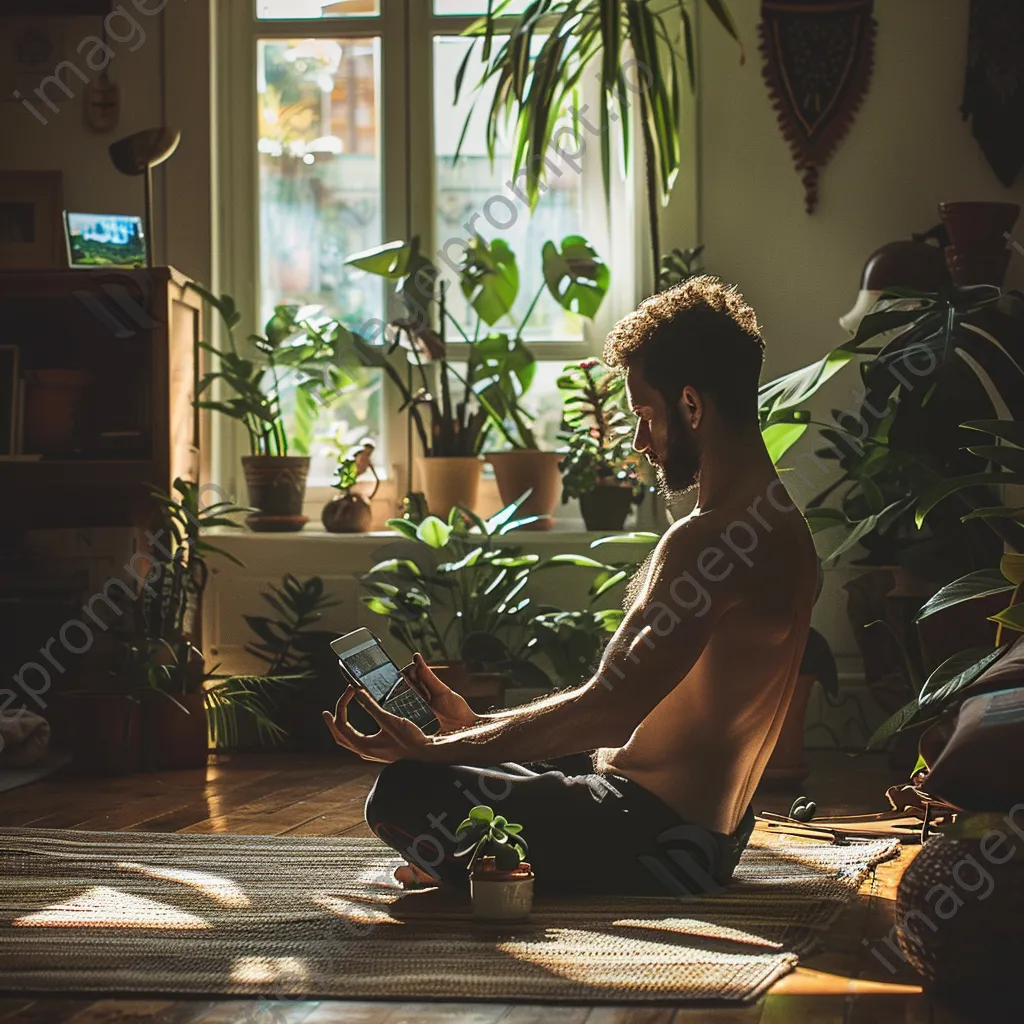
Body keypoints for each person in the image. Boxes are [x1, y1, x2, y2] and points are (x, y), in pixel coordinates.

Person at [324, 277, 819, 896]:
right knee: (475, 758)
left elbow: (609, 711)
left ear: (691, 406)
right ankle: (476, 855)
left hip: (649, 837)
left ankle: (476, 864)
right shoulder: (785, 531)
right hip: (712, 839)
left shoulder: (708, 542)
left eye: (646, 415)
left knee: (403, 791)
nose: (641, 441)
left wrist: (436, 752)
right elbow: (640, 718)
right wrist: (472, 728)